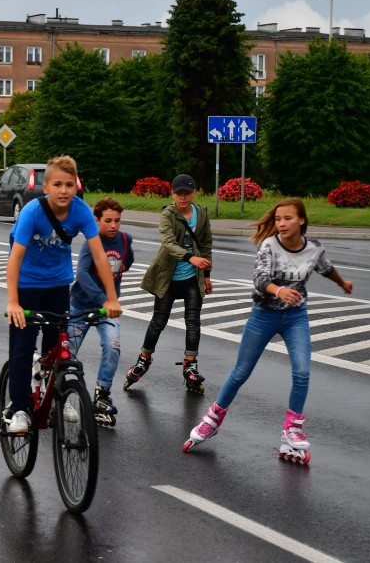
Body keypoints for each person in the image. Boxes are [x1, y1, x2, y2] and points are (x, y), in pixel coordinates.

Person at [183, 197, 353, 459]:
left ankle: (292, 430)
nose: (281, 223)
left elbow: (326, 269)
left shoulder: (314, 249)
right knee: (241, 372)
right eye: (278, 219)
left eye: (288, 218)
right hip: (264, 316)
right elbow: (260, 278)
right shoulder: (270, 245)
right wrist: (280, 290)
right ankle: (212, 420)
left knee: (302, 372)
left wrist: (343, 283)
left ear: (302, 220)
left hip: (296, 317)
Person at [4, 155, 122, 435]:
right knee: (23, 346)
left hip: (58, 285)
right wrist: (13, 302)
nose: (64, 190)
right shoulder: (32, 212)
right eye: (57, 184)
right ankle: (20, 408)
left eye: (70, 184)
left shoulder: (80, 211)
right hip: (27, 284)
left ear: (76, 187)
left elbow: (99, 256)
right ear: (46, 187)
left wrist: (111, 298)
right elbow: (14, 259)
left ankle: (57, 397)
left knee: (58, 345)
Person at [124, 174, 213, 392]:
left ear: (194, 194)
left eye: (187, 193)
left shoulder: (201, 214)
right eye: (178, 193)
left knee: (193, 321)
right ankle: (143, 360)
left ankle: (190, 365)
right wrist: (190, 257)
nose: (183, 197)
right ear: (172, 194)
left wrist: (207, 274)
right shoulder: (167, 215)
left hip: (193, 277)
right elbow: (168, 243)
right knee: (159, 321)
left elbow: (206, 244)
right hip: (168, 277)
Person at [68, 197, 133, 426]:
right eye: (108, 221)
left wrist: (111, 295)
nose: (113, 225)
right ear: (96, 221)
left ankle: (102, 395)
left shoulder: (125, 240)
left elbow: (127, 261)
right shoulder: (91, 243)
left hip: (107, 310)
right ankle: (56, 390)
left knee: (113, 346)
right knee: (68, 352)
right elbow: (82, 274)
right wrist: (104, 299)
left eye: (117, 220)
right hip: (81, 306)